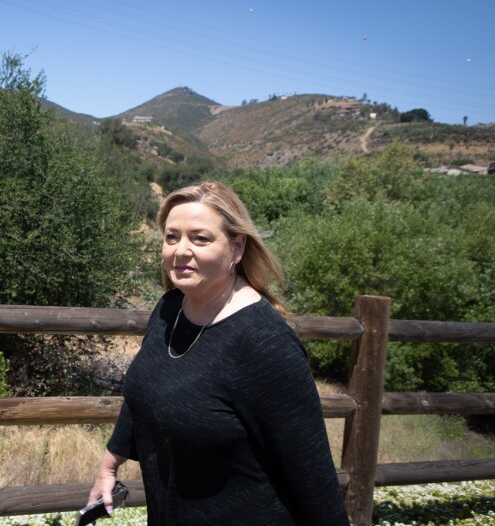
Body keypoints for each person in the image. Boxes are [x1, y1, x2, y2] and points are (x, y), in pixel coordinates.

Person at [86, 181, 349, 525]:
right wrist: (109, 465)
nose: (180, 251)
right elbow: (144, 392)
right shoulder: (170, 308)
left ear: (237, 248)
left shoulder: (264, 343)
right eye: (171, 237)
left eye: (200, 238)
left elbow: (312, 475)